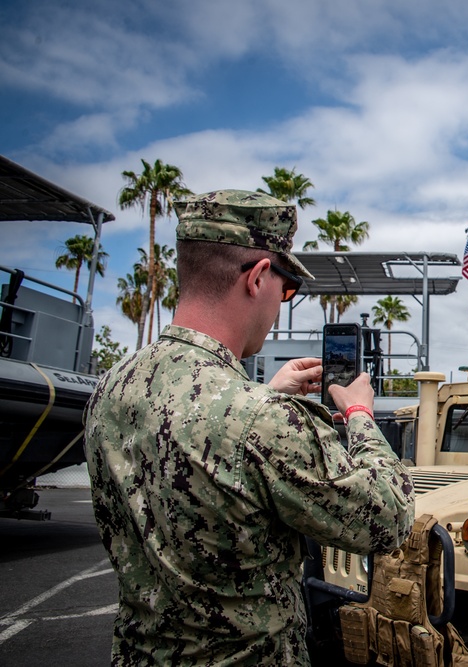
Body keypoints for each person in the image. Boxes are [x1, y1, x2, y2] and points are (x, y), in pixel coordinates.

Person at [85, 190, 415, 665]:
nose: (281, 304)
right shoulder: (264, 422)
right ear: (259, 277)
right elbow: (389, 519)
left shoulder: (110, 389)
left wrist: (268, 398)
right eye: (286, 290)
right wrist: (360, 415)